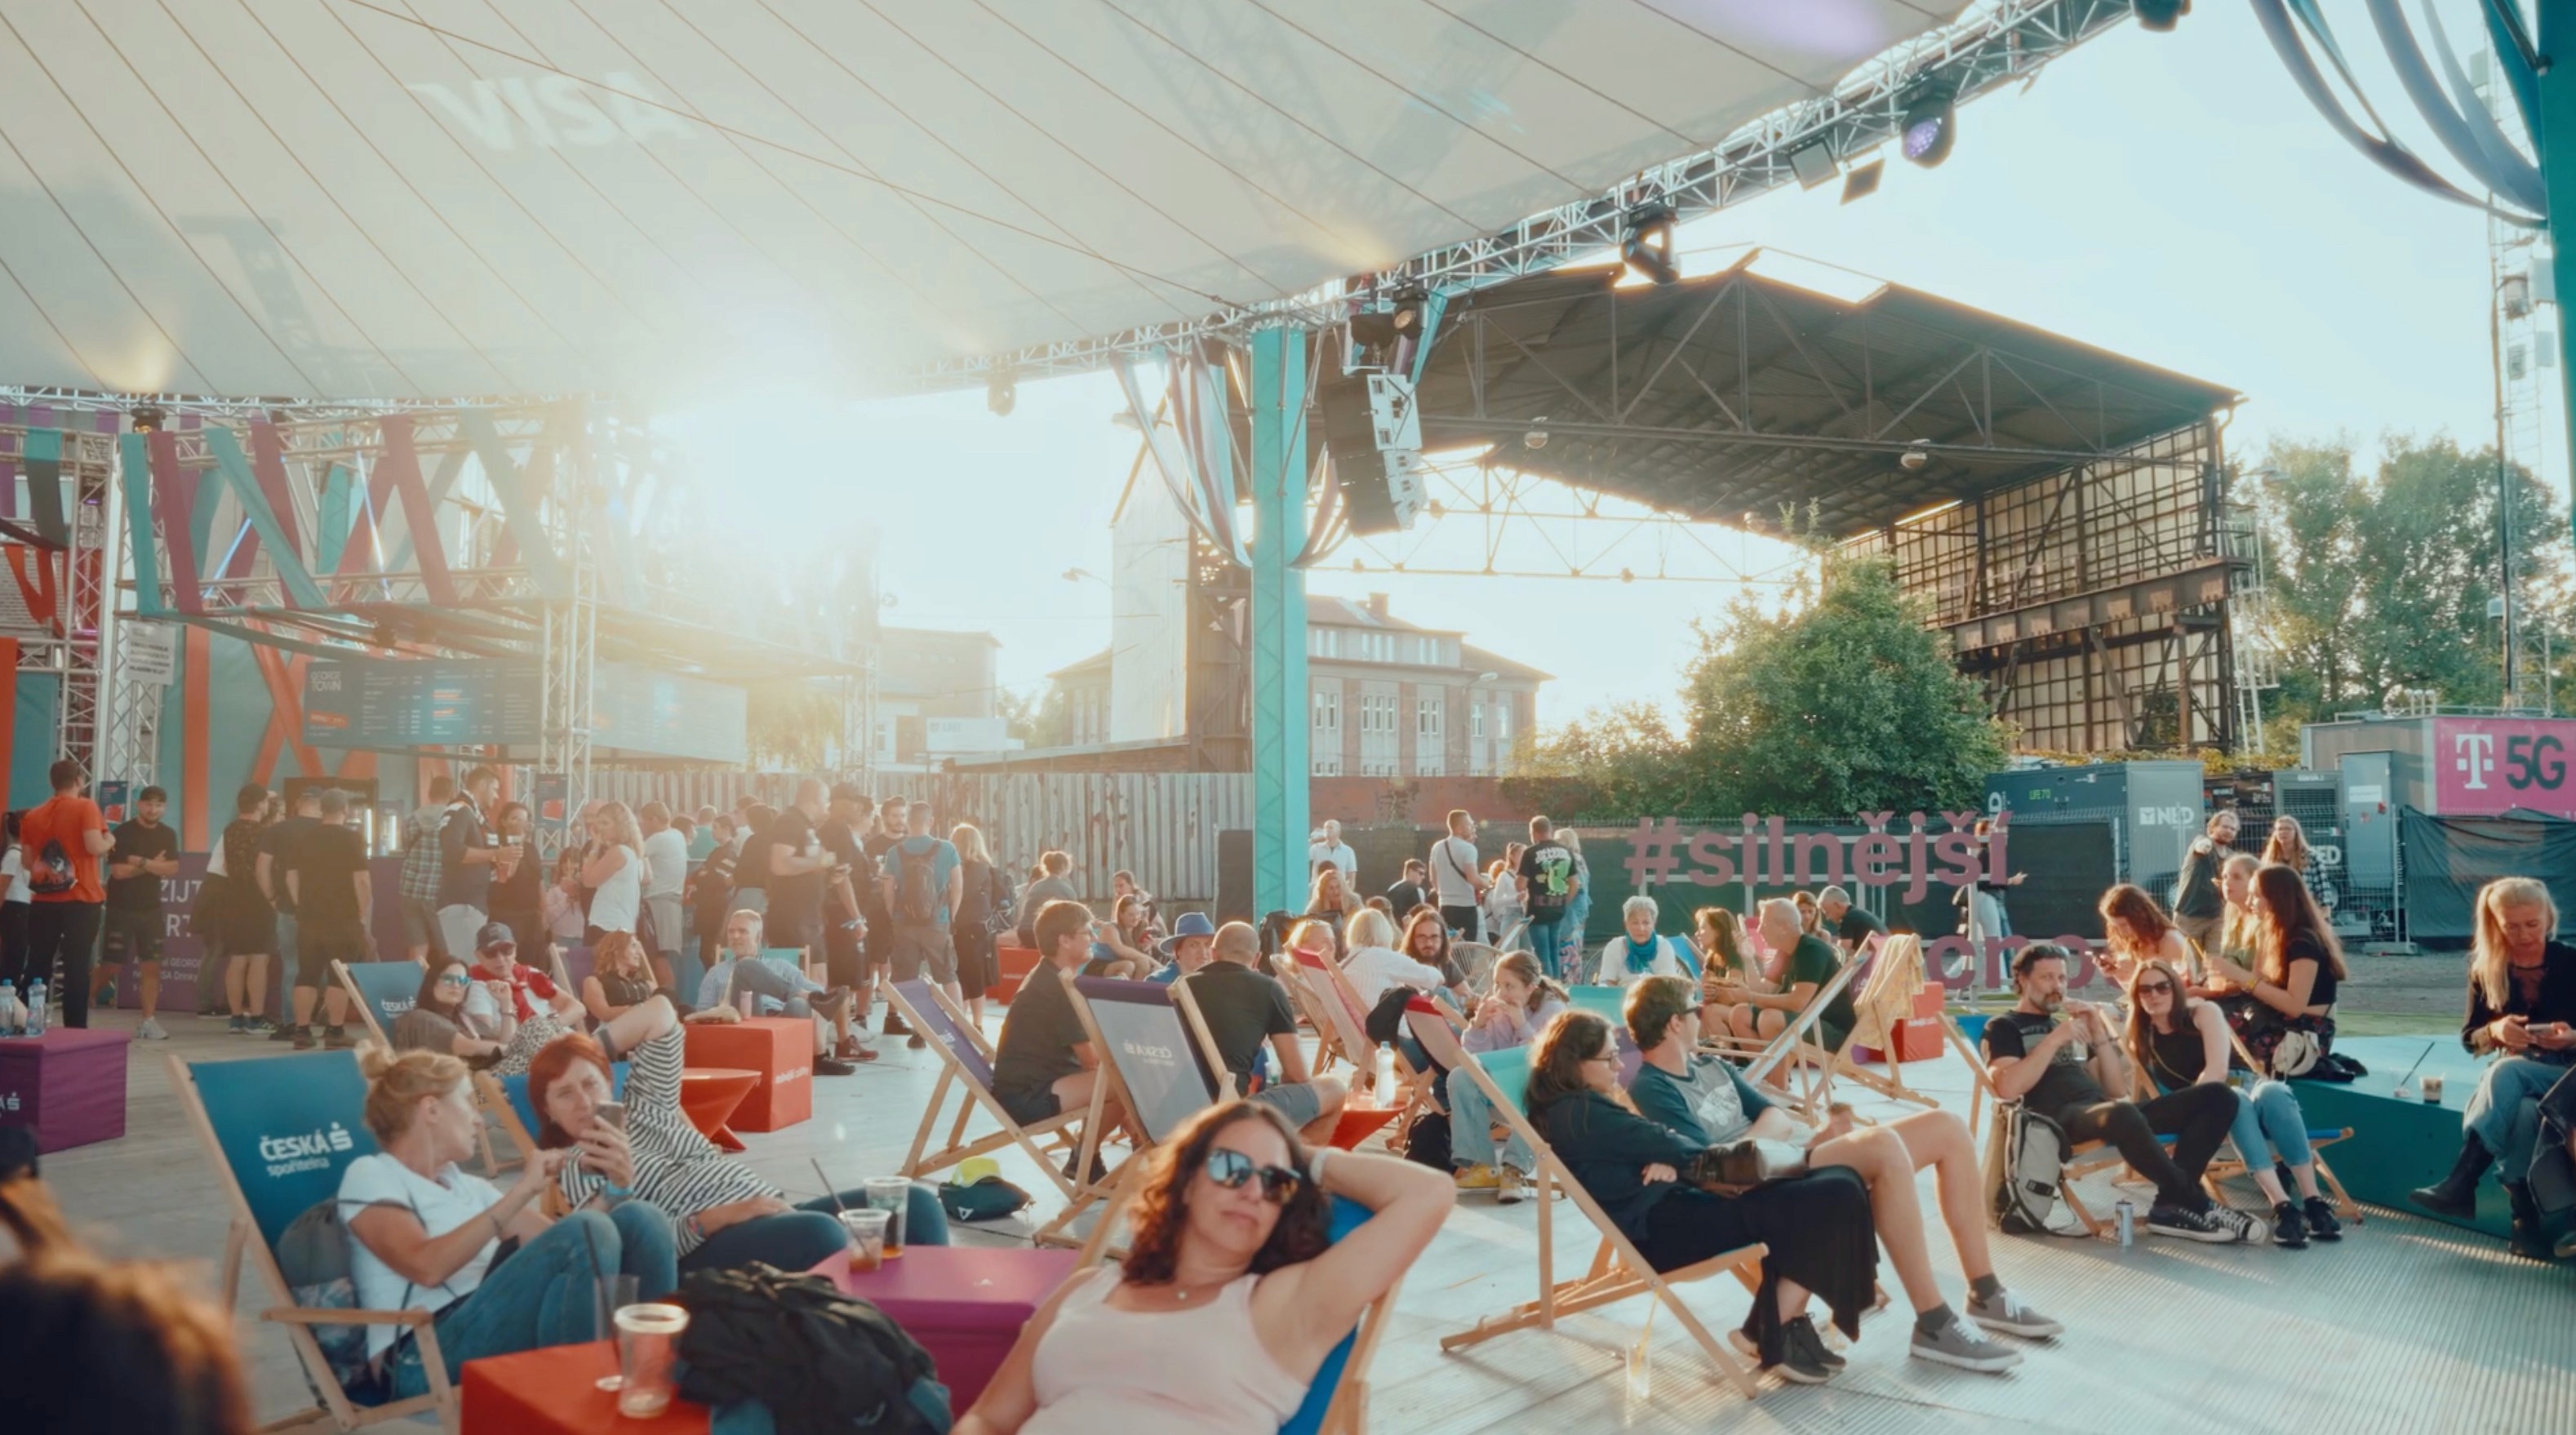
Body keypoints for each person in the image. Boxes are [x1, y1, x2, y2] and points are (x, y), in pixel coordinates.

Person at [1624, 976, 2055, 1370]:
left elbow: (1773, 1114)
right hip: (1768, 1177)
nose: (1702, 1015)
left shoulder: (1710, 1066)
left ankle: (1985, 1291)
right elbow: (1710, 1161)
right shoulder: (1652, 1086)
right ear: (1673, 1025)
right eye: (1693, 1010)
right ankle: (1934, 1321)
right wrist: (1775, 1142)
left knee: (1949, 1129)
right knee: (1881, 1147)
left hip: (1795, 1152)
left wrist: (1779, 1139)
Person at [957, 1100, 1449, 1435]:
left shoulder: (1283, 1305)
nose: (1253, 1190)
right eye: (1230, 1168)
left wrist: (1303, 1157)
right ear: (1186, 1182)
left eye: (1274, 1182)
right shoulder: (1086, 1289)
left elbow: (1428, 1193)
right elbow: (989, 1419)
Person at [1525, 1009, 1879, 1384]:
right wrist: (1676, 1160)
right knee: (1835, 1190)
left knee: (1840, 1182)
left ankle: (1771, 1324)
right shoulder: (1577, 1114)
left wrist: (1668, 1161)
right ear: (1575, 1062)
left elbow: (1650, 1142)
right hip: (1668, 1229)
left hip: (1681, 1206)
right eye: (1609, 1057)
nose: (1618, 1066)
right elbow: (1662, 1139)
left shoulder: (1580, 1107)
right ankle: (1774, 1329)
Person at [338, 1043, 677, 1399]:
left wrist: (617, 1188)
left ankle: (650, 1379)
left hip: (492, 1320)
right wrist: (523, 1191)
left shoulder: (468, 1185)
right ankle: (583, 1404)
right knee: (587, 1229)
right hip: (422, 1358)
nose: (478, 1119)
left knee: (642, 1218)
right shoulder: (373, 1174)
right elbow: (426, 1267)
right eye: (467, 1102)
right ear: (432, 1109)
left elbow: (564, 1244)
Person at [531, 999, 948, 1274]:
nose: (584, 1101)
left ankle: (934, 1332)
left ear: (607, 1078)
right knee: (821, 1235)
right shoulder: (576, 1163)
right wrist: (723, 1216)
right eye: (564, 1094)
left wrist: (580, 1049)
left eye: (590, 1083)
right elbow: (631, 1251)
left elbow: (659, 1012)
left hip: (771, 1212)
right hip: (707, 1248)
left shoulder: (647, 1101)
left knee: (919, 1206)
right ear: (547, 1110)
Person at [1983, 944, 2257, 1242]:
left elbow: (2114, 1089)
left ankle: (2168, 1206)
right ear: (2022, 980)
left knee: (2219, 1095)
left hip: (2105, 1112)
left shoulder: (2067, 1026)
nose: (2057, 987)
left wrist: (2098, 1033)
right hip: (2058, 1119)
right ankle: (2196, 1201)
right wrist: (2052, 1041)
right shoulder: (2003, 1026)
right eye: (2047, 978)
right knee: (2122, 1112)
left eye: (2062, 978)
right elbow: (2007, 1088)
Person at [2409, 876, 2576, 1260]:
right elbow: (2471, 1038)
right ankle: (2525, 1221)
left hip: (2567, 1074)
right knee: (2519, 1108)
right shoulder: (2486, 968)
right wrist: (2496, 1031)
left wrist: (2571, 1038)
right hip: (2519, 1076)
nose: (2524, 934)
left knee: (2506, 1074)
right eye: (2511, 926)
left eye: (2532, 924)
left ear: (2548, 917)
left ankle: (2463, 1181)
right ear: (2495, 925)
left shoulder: (2571, 961)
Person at [2123, 958, 2341, 1249]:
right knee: (2234, 1101)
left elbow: (2217, 1072)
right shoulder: (2142, 1036)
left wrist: (2190, 1117)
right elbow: (2142, 1094)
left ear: (2176, 989)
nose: (2155, 995)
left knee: (2274, 1091)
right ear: (2137, 997)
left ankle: (2313, 1202)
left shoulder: (2203, 1011)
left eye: (2162, 987)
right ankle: (2283, 1205)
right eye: (2145, 990)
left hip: (2238, 1087)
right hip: (2217, 1108)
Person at [1184, 922, 1348, 1144]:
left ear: (1213, 954)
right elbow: (1298, 1074)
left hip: (1180, 1108)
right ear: (1257, 957)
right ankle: (1292, 1167)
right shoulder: (1267, 988)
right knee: (1334, 1089)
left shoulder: (1181, 987)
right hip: (1231, 1110)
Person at [993, 900, 1134, 1148]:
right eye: (1088, 932)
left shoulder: (1050, 975)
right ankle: (1087, 1154)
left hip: (1029, 1087)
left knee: (1123, 1078)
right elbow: (1091, 1059)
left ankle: (1104, 1150)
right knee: (1128, 1082)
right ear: (1064, 940)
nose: (1094, 938)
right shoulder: (1057, 988)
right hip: (1028, 1099)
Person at [2200, 862, 2346, 1074]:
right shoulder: (2271, 933)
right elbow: (2257, 986)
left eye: (2256, 896)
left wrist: (2239, 975)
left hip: (2304, 1030)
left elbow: (2294, 1006)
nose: (2249, 902)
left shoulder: (2303, 941)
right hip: (2273, 1016)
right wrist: (2205, 991)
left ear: (2278, 899)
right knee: (2202, 1011)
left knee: (2218, 1026)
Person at [1450, 949, 1567, 1202]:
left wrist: (1521, 1025)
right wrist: (1478, 1025)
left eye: (1509, 986)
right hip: (1503, 1093)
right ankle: (1484, 1166)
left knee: (1538, 1086)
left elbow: (1546, 1064)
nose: (1501, 993)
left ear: (1531, 988)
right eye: (1497, 985)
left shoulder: (1554, 1011)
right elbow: (1476, 1063)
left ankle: (1514, 1169)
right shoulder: (1495, 1009)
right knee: (1460, 1076)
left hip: (1541, 1097)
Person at [694, 909, 865, 1072]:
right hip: (742, 1023)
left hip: (781, 1023)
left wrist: (818, 998)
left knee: (799, 1004)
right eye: (731, 932)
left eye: (743, 931)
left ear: (758, 937)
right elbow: (701, 1012)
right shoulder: (716, 972)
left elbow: (820, 997)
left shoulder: (780, 965)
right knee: (745, 966)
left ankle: (789, 1066)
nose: (735, 936)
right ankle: (798, 994)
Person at [18, 758, 112, 1029]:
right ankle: (75, 1029)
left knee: (38, 963)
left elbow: (27, 862)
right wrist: (110, 841)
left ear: (52, 783)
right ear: (79, 781)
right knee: (76, 965)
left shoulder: (32, 816)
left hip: (43, 900)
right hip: (81, 898)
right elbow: (94, 846)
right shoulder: (86, 806)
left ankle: (24, 1022)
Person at [280, 789, 368, 1051]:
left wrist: (300, 903)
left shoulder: (305, 839)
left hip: (309, 917)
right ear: (346, 810)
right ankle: (335, 1032)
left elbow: (290, 876)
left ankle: (302, 1031)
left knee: (306, 973)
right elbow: (361, 880)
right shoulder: (352, 840)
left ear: (322, 810)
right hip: (343, 918)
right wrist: (361, 912)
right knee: (338, 975)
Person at [879, 799, 964, 1049]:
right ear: (932, 822)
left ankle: (919, 1030)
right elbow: (958, 886)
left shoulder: (895, 852)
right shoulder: (947, 849)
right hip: (937, 922)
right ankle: (958, 1028)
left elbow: (888, 890)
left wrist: (893, 916)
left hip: (905, 925)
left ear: (908, 822)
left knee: (908, 980)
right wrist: (950, 915)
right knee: (948, 975)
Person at [98, 784, 180, 1039]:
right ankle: (81, 1001)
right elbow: (119, 873)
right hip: (121, 908)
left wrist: (141, 862)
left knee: (152, 966)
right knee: (111, 966)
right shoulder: (122, 832)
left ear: (164, 808)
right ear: (139, 805)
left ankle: (148, 1020)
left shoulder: (168, 834)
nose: (153, 809)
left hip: (151, 909)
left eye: (159, 805)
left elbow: (173, 869)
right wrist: (155, 864)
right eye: (149, 804)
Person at [1731, 899, 1857, 1051]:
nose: (1759, 931)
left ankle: (1776, 1075)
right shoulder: (1784, 951)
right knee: (1740, 1014)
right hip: (1805, 1021)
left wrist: (1749, 997)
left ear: (1784, 927)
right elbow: (1764, 991)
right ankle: (1766, 1072)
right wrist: (1748, 959)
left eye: (1764, 924)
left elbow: (1797, 1003)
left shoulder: (1811, 950)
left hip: (1831, 1030)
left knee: (1770, 1018)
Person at [214, 785, 277, 1034]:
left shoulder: (230, 830)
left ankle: (236, 1017)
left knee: (238, 959)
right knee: (259, 958)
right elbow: (265, 868)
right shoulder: (265, 833)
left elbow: (227, 865)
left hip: (232, 898)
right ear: (261, 804)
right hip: (258, 899)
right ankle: (257, 1017)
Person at [817, 787, 876, 1045]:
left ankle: (841, 1029)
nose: (856, 808)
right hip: (838, 914)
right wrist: (856, 917)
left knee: (845, 976)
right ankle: (838, 1032)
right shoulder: (835, 831)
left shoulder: (840, 832)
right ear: (837, 803)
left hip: (838, 913)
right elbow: (842, 879)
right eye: (851, 803)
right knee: (841, 977)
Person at [433, 767, 505, 963]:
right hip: (461, 903)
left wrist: (504, 859)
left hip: (473, 903)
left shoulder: (476, 816)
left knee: (473, 964)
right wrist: (494, 854)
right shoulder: (459, 810)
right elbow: (453, 852)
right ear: (482, 785)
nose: (497, 796)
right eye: (495, 789)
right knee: (467, 965)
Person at [765, 780, 835, 980]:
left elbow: (807, 865)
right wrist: (817, 862)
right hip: (792, 919)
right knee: (801, 986)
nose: (828, 805)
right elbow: (779, 864)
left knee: (818, 981)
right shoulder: (788, 822)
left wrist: (829, 875)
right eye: (826, 799)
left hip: (810, 918)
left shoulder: (807, 826)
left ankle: (813, 1011)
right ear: (815, 798)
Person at [393, 958, 509, 1064]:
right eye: (448, 979)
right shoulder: (421, 1018)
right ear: (432, 983)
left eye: (463, 981)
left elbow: (505, 1043)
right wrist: (514, 1050)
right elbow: (469, 1048)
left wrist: (506, 1002)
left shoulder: (464, 1018)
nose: (456, 985)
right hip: (443, 1083)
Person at [953, 822, 1010, 1024]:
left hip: (968, 928)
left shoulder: (973, 868)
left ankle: (974, 1024)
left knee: (969, 977)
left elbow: (962, 892)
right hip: (976, 928)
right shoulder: (982, 868)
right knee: (968, 977)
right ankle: (971, 1022)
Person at [398, 776, 457, 962]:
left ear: (430, 792)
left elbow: (406, 848)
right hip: (438, 891)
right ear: (451, 793)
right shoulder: (453, 820)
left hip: (409, 888)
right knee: (448, 948)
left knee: (418, 947)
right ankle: (446, 987)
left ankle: (415, 990)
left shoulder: (411, 818)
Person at [1337, 908, 1443, 1009]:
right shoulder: (1383, 957)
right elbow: (1435, 978)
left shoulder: (1345, 964)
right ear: (1385, 932)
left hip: (1355, 1025)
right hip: (1384, 1026)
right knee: (1442, 994)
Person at [2097, 882, 2196, 989]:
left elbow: (2181, 991)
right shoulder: (2133, 941)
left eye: (2124, 925)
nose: (2120, 932)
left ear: (2141, 916)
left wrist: (2135, 977)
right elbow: (2136, 994)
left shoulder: (2170, 940)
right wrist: (2118, 974)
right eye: (2115, 926)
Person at [2170, 809, 2241, 957]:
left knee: (2217, 963)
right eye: (2225, 826)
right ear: (2212, 828)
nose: (2229, 831)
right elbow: (2201, 845)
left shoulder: (2233, 858)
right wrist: (2204, 846)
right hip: (2190, 916)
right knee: (2190, 967)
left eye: (2233, 829)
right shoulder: (2202, 844)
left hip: (2217, 917)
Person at [1515, 818, 1578, 981]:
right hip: (1558, 909)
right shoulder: (1566, 851)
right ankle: (1557, 988)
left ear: (1533, 832)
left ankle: (1549, 991)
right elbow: (1575, 884)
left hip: (1538, 911)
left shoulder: (1530, 852)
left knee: (1543, 955)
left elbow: (1520, 885)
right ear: (1550, 830)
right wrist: (1564, 901)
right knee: (1554, 950)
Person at [581, 802, 646, 955]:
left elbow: (588, 880)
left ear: (620, 825)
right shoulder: (634, 853)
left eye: (605, 823)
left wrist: (595, 848)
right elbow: (647, 878)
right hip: (624, 923)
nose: (600, 828)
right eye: (599, 823)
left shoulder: (617, 852)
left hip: (606, 923)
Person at [484, 802, 545, 962]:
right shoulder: (498, 847)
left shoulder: (531, 849)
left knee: (532, 962)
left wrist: (544, 913)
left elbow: (539, 882)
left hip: (531, 915)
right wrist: (516, 842)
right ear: (504, 821)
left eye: (523, 820)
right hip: (507, 915)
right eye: (514, 819)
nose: (519, 823)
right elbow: (506, 875)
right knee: (508, 960)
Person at [1597, 895, 1701, 985]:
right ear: (1626, 924)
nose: (1641, 928)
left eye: (1646, 923)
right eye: (1635, 923)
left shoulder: (1663, 946)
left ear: (1654, 924)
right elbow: (1607, 981)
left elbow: (1667, 984)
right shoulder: (1615, 946)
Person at [1696, 906, 1767, 1036]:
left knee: (1711, 1011)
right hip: (1731, 1012)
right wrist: (1709, 994)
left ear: (1717, 931)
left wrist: (1714, 993)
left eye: (1702, 928)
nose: (1697, 933)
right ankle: (1706, 1052)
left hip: (1748, 1012)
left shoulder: (1736, 955)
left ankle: (1724, 1054)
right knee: (1694, 1012)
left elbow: (1731, 998)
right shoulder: (1712, 958)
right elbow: (1710, 997)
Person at [638, 801, 688, 980]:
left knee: (659, 957)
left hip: (658, 902)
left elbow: (635, 855)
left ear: (654, 820)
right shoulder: (678, 835)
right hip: (671, 902)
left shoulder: (658, 839)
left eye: (643, 822)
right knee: (664, 956)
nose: (641, 827)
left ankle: (667, 1000)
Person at [581, 930, 667, 1023]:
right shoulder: (594, 982)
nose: (639, 953)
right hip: (616, 1031)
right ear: (616, 950)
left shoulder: (648, 985)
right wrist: (642, 1009)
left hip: (650, 1028)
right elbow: (604, 1013)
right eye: (634, 946)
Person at [1430, 810, 1487, 943]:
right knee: (1466, 952)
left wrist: (1444, 893)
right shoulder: (1468, 849)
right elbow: (1473, 879)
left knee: (1448, 948)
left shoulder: (1437, 847)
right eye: (1469, 824)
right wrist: (1487, 884)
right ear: (1459, 828)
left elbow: (1433, 878)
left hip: (1444, 906)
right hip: (1465, 907)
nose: (1473, 827)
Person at [1017, 851, 1081, 948]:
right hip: (1044, 936)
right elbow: (1077, 919)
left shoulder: (1035, 886)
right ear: (1064, 866)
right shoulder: (1067, 889)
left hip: (1024, 934)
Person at [1148, 911, 1219, 988]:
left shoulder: (1218, 981)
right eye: (1194, 945)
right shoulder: (1159, 982)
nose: (1203, 952)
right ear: (1178, 950)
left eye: (1208, 945)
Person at [1815, 886, 1885, 961]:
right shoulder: (1859, 914)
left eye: (1827, 913)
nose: (1828, 918)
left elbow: (1841, 954)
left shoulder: (1848, 919)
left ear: (1837, 905)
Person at [1301, 865, 1354, 959]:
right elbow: (1306, 927)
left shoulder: (1354, 903)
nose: (1336, 891)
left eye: (1338, 887)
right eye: (1331, 888)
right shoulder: (1315, 907)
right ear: (1324, 891)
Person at [0, 814, 26, 995]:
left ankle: (11, 993)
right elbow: (2, 887)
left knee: (18, 953)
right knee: (13, 954)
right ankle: (8, 994)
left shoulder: (24, 855)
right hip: (14, 908)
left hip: (22, 908)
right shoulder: (14, 855)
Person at [1305, 820, 1357, 886]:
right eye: (1325, 828)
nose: (1327, 830)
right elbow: (1301, 856)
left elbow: (1351, 877)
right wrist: (1313, 840)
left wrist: (1348, 895)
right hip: (1318, 890)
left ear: (1338, 832)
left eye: (1330, 827)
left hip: (1337, 892)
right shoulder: (1315, 848)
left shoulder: (1348, 851)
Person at [1385, 859, 1431, 923]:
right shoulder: (1418, 890)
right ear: (1410, 871)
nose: (1423, 877)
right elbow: (1421, 915)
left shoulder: (1392, 888)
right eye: (1421, 873)